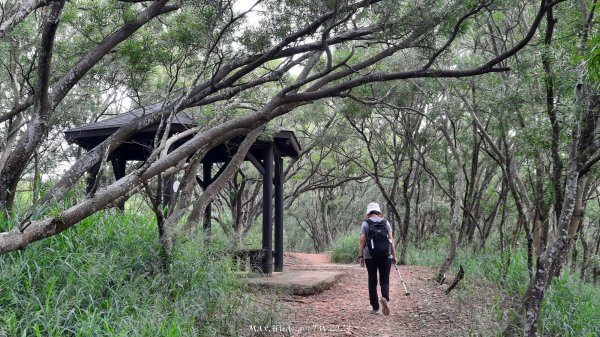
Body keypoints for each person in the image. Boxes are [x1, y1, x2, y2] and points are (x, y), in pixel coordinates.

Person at [358, 202, 397, 315]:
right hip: (386, 254)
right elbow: (391, 240)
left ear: (368, 212)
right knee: (385, 279)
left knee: (372, 280)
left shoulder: (365, 223)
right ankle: (385, 298)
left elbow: (362, 241)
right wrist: (394, 255)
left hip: (370, 255)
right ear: (378, 211)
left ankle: (375, 307)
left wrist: (361, 256)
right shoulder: (386, 222)